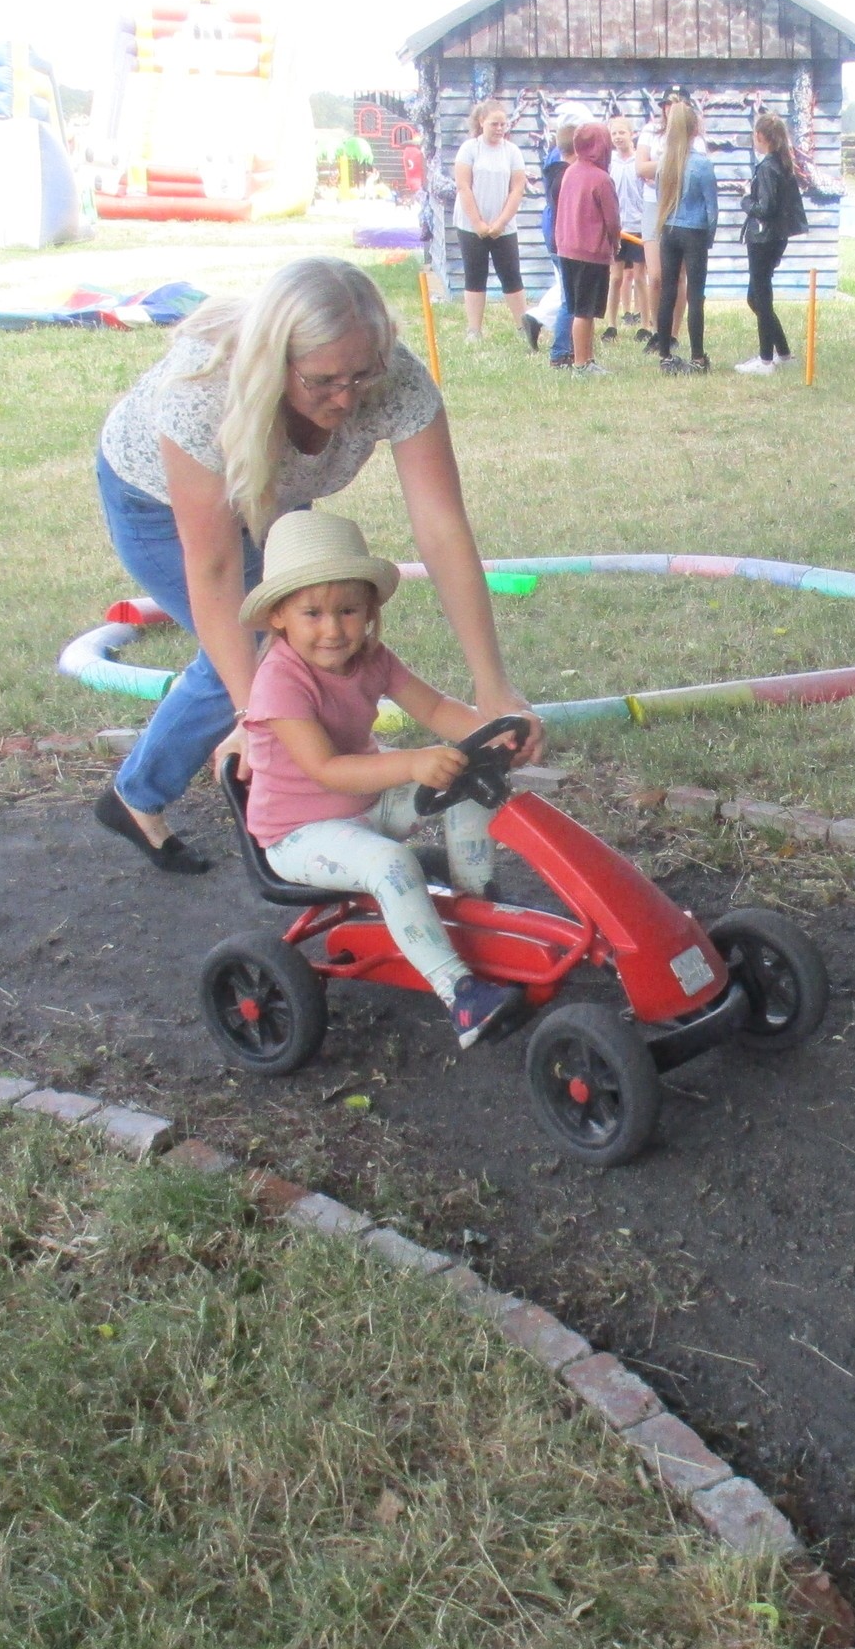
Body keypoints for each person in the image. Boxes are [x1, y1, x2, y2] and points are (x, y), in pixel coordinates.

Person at [91, 256, 540, 873]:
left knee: (296, 649)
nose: (347, 397)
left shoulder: (396, 380)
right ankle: (139, 798)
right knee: (263, 658)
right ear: (276, 364)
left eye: (362, 375)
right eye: (324, 381)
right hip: (156, 501)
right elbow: (215, 572)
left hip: (276, 486)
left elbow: (442, 530)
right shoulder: (204, 397)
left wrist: (493, 687)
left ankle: (310, 794)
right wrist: (256, 719)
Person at [237, 508, 523, 1049]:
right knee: (393, 864)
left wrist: (493, 734)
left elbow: (435, 707)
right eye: (312, 613)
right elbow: (327, 770)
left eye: (347, 611)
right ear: (278, 615)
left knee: (469, 783)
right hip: (300, 831)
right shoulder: (280, 681)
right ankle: (460, 995)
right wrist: (413, 763)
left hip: (367, 802)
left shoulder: (371, 658)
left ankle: (477, 908)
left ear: (369, 610)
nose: (333, 630)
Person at [736, 110, 810, 378]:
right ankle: (784, 353)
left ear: (759, 136)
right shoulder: (782, 163)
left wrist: (746, 199)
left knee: (760, 298)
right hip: (776, 238)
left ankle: (766, 359)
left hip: (763, 239)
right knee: (756, 297)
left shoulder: (768, 167)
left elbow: (765, 208)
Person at [648, 98, 719, 376]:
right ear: (694, 130)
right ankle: (698, 356)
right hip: (694, 230)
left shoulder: (664, 163)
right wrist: (708, 238)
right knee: (695, 295)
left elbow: (658, 198)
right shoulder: (702, 165)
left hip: (669, 229)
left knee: (668, 291)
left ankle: (665, 353)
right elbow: (712, 209)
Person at [451, 99, 528, 341]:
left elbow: (517, 189)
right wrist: (478, 224)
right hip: (471, 225)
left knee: (511, 275)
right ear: (482, 121)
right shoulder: (469, 149)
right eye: (495, 124)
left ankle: (524, 327)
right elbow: (463, 186)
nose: (499, 128)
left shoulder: (512, 152)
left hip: (503, 226)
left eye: (503, 124)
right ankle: (474, 330)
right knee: (475, 275)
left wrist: (501, 223)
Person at [522, 103, 591, 366]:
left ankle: (544, 324)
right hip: (562, 235)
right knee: (570, 296)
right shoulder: (561, 165)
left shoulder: (559, 159)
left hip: (558, 232)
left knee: (567, 290)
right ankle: (561, 351)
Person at [554, 119, 619, 376]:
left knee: (582, 309)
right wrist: (615, 242)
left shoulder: (570, 172)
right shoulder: (602, 179)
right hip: (590, 253)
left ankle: (587, 358)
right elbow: (612, 220)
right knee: (584, 311)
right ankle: (581, 363)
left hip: (567, 249)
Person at [604, 115, 651, 344]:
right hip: (617, 229)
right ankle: (611, 324)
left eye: (622, 132)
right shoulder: (610, 162)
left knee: (640, 277)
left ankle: (645, 324)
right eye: (614, 133)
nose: (618, 137)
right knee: (615, 277)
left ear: (631, 134)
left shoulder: (638, 162)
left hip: (638, 226)